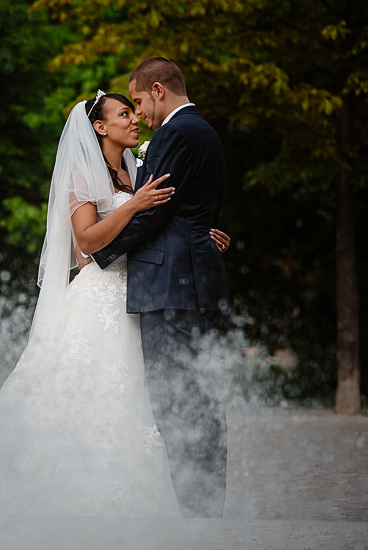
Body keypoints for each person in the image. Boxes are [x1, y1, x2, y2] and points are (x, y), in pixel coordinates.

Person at [0, 89, 229, 517]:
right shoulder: (82, 175)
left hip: (145, 291)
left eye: (134, 110)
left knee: (149, 392)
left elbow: (160, 223)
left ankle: (168, 496)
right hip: (100, 294)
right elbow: (85, 241)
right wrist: (134, 204)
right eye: (124, 114)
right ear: (100, 127)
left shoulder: (138, 166)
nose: (134, 119)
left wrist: (199, 238)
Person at [89, 58, 230, 518]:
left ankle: (197, 509)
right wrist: (199, 235)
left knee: (175, 397)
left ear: (157, 89)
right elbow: (188, 210)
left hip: (168, 281)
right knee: (199, 393)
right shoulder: (204, 130)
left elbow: (154, 210)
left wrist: (101, 257)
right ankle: (207, 503)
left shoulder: (173, 133)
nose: (138, 113)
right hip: (192, 274)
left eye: (138, 101)